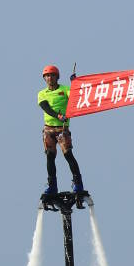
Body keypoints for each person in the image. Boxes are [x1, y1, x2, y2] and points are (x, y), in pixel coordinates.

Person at [38, 64, 87, 199]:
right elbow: (45, 107)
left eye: (52, 75)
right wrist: (57, 115)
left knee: (68, 155)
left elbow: (75, 97)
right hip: (48, 128)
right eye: (47, 76)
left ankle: (78, 183)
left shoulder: (65, 89)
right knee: (50, 156)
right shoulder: (42, 94)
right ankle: (52, 185)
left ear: (57, 77)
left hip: (62, 128)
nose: (49, 78)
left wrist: (75, 83)